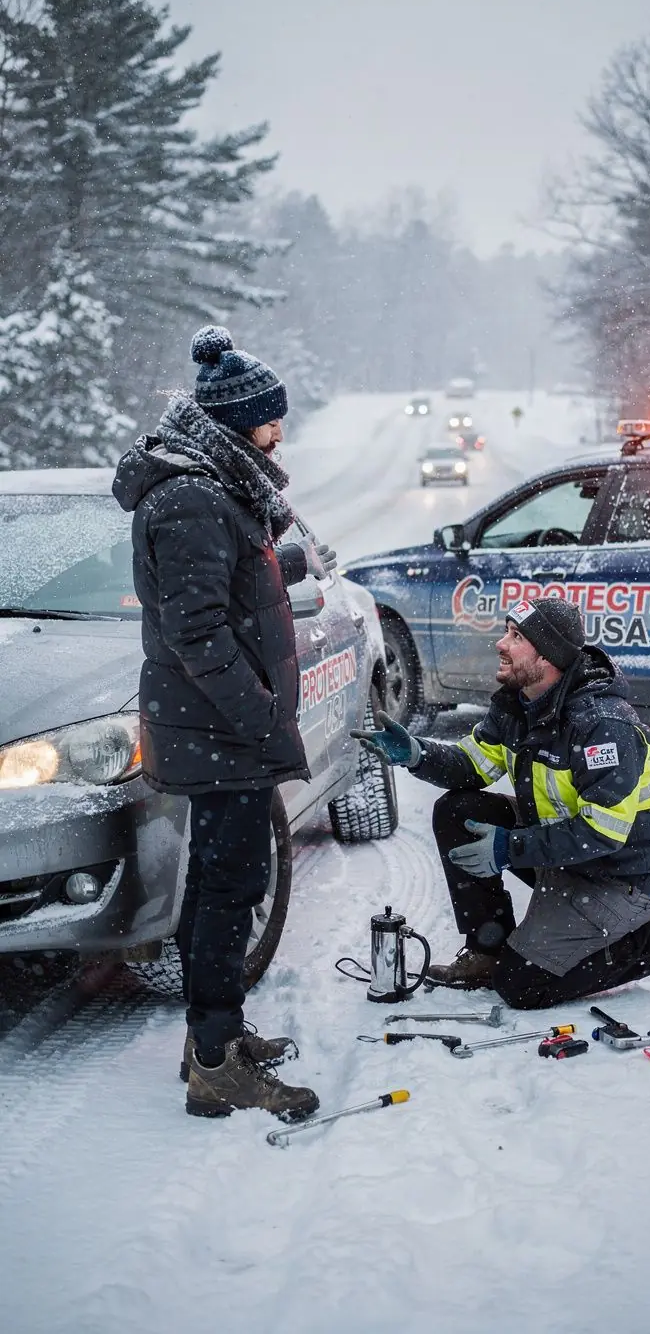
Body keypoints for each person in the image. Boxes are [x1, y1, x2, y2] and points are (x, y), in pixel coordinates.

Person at [113, 324, 333, 1118]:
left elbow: (230, 604)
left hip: (218, 726)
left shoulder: (217, 487)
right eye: (272, 420)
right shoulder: (192, 497)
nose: (281, 434)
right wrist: (259, 712)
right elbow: (196, 629)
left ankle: (215, 1035)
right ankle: (215, 1063)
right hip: (218, 728)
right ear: (242, 424)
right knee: (225, 890)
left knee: (219, 884)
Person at [352, 597, 650, 1010]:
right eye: (507, 631)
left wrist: (509, 847)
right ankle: (488, 947)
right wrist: (417, 754)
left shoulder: (603, 726)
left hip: (622, 874)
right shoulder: (518, 705)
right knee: (458, 812)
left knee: (522, 985)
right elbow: (473, 763)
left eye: (516, 636)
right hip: (567, 849)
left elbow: (601, 833)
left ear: (548, 656)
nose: (501, 644)